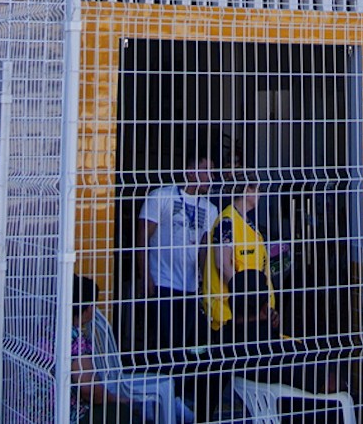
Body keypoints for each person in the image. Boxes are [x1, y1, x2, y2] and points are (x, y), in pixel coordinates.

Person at [135, 149, 220, 370]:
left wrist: (204, 283)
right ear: (190, 172)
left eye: (213, 172)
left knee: (184, 346)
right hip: (162, 282)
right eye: (206, 171)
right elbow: (142, 238)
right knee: (164, 345)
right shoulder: (161, 197)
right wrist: (145, 277)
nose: (211, 177)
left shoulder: (210, 209)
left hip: (190, 287)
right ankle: (161, 391)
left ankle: (178, 394)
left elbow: (204, 248)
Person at [74, 275, 193, 424]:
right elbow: (88, 389)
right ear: (87, 308)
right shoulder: (76, 342)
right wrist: (116, 399)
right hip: (73, 413)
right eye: (93, 304)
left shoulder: (51, 329)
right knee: (121, 413)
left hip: (50, 408)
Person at [202, 174, 277, 330]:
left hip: (252, 314)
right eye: (258, 189)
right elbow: (222, 264)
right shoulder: (228, 221)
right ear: (246, 190)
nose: (260, 194)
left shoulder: (247, 225)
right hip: (232, 316)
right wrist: (248, 299)